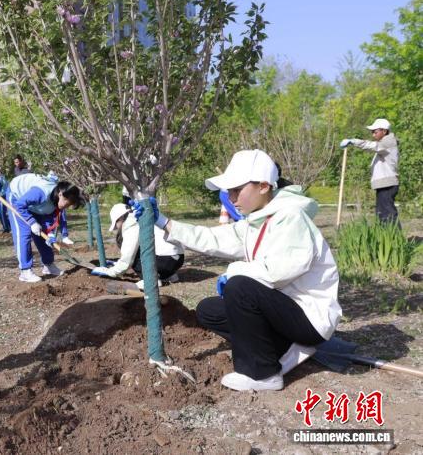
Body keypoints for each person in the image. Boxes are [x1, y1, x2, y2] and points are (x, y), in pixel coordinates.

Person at [133, 149, 341, 392]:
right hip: (285, 309)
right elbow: (214, 238)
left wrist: (234, 272)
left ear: (263, 186)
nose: (230, 198)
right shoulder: (257, 220)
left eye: (236, 190)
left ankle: (263, 374)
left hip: (309, 317)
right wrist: (163, 222)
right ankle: (282, 347)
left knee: (240, 286)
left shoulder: (291, 217)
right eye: (229, 191)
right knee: (209, 310)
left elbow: (281, 270)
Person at [7, 173, 82, 282]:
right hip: (17, 197)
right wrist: (32, 222)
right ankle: (25, 271)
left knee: (43, 235)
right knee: (24, 233)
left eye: (69, 205)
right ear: (60, 194)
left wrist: (50, 233)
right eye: (67, 203)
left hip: (34, 204)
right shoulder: (40, 193)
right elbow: (19, 205)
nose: (66, 207)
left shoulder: (57, 202)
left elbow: (49, 220)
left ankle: (48, 265)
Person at [91, 203, 184, 289]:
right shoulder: (140, 216)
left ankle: (149, 280)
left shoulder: (131, 225)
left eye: (116, 224)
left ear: (121, 218)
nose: (117, 228)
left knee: (134, 256)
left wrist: (110, 272)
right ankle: (169, 275)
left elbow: (128, 259)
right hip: (177, 259)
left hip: (165, 261)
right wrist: (117, 264)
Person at [340, 118, 400, 225]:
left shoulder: (388, 142)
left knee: (387, 214)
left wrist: (353, 141)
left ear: (384, 131)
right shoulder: (384, 143)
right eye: (372, 132)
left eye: (375, 132)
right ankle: (385, 235)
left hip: (387, 184)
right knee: (382, 214)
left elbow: (371, 145)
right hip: (384, 184)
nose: (373, 135)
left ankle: (395, 235)